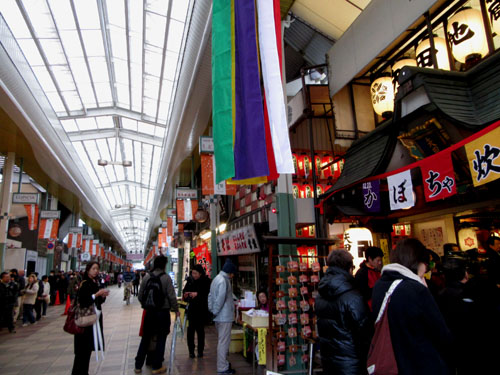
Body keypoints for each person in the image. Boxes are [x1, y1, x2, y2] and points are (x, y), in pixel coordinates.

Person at [372, 238, 452, 375]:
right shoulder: (415, 289)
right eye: (426, 263)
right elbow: (441, 333)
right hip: (421, 363)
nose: (426, 268)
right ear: (418, 262)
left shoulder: (380, 285)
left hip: (391, 364)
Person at [316, 250, 372, 375]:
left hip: (329, 361)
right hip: (352, 363)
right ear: (349, 268)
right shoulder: (352, 297)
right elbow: (365, 332)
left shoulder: (321, 294)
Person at [135, 255, 180, 374]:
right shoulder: (166, 278)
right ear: (164, 265)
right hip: (162, 313)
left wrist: (147, 305)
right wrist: (176, 309)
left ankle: (138, 365)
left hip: (149, 313)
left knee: (146, 338)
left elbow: (140, 296)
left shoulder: (146, 277)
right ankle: (157, 366)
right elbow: (171, 296)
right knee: (161, 338)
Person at [72, 261, 109, 375]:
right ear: (88, 270)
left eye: (97, 268)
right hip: (85, 321)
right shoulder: (85, 283)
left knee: (87, 350)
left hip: (92, 320)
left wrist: (102, 296)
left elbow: (97, 301)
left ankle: (83, 372)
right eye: (93, 268)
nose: (96, 271)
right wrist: (97, 294)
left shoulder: (94, 282)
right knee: (82, 351)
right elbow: (84, 300)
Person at [208, 259, 237, 375]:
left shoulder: (216, 279)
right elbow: (220, 299)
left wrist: (212, 310)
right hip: (224, 316)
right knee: (223, 342)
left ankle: (223, 364)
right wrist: (215, 310)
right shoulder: (224, 281)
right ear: (230, 272)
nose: (233, 275)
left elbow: (210, 295)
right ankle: (222, 368)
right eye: (233, 273)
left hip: (219, 316)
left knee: (222, 341)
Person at [182, 264, 211, 358]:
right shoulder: (190, 281)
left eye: (195, 273)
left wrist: (197, 294)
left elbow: (207, 294)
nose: (193, 275)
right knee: (190, 331)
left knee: (200, 331)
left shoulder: (206, 281)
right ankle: (191, 351)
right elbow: (184, 291)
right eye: (192, 273)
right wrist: (186, 295)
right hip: (191, 310)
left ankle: (200, 351)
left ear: (200, 273)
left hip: (201, 310)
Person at [354, 246, 383, 310]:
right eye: (378, 260)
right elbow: (362, 294)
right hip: (368, 310)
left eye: (380, 260)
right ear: (370, 259)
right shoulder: (361, 273)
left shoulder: (377, 271)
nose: (380, 263)